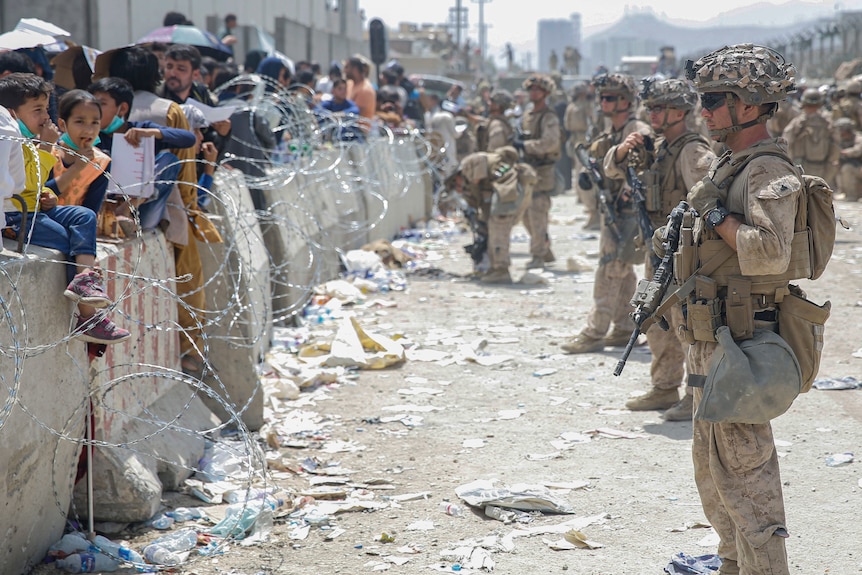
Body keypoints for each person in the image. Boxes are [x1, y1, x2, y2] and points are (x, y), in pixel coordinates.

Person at [680, 43, 801, 575]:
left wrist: (713, 218)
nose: (702, 111)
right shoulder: (732, 163)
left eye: (713, 99)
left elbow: (772, 252)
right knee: (712, 469)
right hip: (711, 340)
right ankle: (733, 562)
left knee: (746, 474)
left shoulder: (765, 169)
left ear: (749, 105)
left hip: (741, 341)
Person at [607, 78, 714, 420]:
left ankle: (696, 395)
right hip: (657, 251)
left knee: (688, 328)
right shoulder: (656, 146)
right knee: (656, 323)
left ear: (680, 111)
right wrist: (624, 149)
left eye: (659, 108)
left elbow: (710, 196)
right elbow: (611, 167)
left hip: (684, 257)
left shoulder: (691, 150)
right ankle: (665, 387)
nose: (652, 114)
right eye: (650, 108)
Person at [106, 45, 212, 375]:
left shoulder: (105, 105)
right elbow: (185, 169)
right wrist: (193, 210)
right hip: (167, 208)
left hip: (112, 202)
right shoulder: (168, 110)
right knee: (190, 281)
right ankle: (191, 353)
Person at [0, 73, 129, 344]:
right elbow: (20, 184)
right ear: (13, 113)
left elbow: (36, 186)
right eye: (37, 110)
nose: (45, 117)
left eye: (46, 109)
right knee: (63, 238)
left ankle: (84, 281)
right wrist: (47, 147)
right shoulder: (11, 141)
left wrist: (48, 194)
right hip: (16, 216)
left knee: (84, 216)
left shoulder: (29, 142)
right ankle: (88, 316)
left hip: (35, 207)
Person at [560, 72, 651, 353]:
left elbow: (648, 169)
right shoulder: (610, 130)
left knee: (610, 267)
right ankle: (624, 326)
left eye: (609, 98)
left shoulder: (637, 131)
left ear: (625, 101)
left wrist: (626, 186)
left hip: (629, 209)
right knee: (621, 269)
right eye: (601, 97)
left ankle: (595, 330)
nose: (603, 102)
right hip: (613, 207)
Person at [88, 76, 196, 230]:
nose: (95, 111)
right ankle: (116, 212)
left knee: (169, 160)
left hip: (142, 213)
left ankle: (128, 206)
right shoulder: (93, 136)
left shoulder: (141, 129)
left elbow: (189, 139)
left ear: (122, 109)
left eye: (102, 104)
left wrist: (152, 132)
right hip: (103, 209)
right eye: (93, 104)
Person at [453, 146, 537, 283]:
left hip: (507, 195)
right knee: (493, 230)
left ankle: (501, 270)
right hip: (506, 194)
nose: (459, 188)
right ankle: (495, 268)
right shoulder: (479, 167)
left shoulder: (472, 164)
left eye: (458, 185)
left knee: (498, 230)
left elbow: (476, 183)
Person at [512, 73, 562, 270]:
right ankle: (544, 249)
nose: (533, 93)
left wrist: (525, 145)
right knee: (525, 215)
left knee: (537, 213)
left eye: (537, 90)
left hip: (542, 171)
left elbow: (550, 143)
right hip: (527, 170)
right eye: (531, 89)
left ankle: (538, 255)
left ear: (546, 93)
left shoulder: (548, 117)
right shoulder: (527, 115)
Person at [48, 90, 112, 215]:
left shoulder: (101, 163)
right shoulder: (47, 152)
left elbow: (91, 210)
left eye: (95, 123)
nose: (89, 130)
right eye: (79, 122)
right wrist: (76, 168)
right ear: (62, 124)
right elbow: (42, 195)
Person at [157, 44, 231, 139]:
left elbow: (210, 130)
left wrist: (224, 132)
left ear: (195, 74)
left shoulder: (200, 92)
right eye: (169, 67)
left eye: (181, 69)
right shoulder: (157, 94)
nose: (172, 73)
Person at [782, 88, 839, 189]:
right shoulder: (827, 121)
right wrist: (832, 161)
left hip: (802, 167)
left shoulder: (798, 122)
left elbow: (786, 142)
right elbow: (836, 143)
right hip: (823, 167)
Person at [566, 83, 599, 229]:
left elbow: (592, 121)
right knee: (577, 173)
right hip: (574, 139)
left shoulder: (586, 105)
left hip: (583, 141)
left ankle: (593, 212)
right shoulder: (572, 106)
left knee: (583, 173)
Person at [835, 116, 862, 201]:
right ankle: (841, 191)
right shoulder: (840, 139)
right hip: (849, 165)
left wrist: (845, 152)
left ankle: (852, 196)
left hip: (858, 166)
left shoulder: (858, 138)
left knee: (847, 169)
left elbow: (858, 150)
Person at [344, 55, 375, 123]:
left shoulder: (365, 89)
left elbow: (356, 113)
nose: (344, 70)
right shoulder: (349, 84)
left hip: (358, 129)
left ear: (355, 69)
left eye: (347, 67)